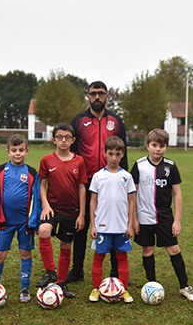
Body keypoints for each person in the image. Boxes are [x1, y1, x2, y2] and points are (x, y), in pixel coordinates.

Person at [67, 81, 128, 284]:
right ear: (88, 96)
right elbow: (72, 153)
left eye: (101, 93)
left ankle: (115, 270)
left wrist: (124, 179)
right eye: (93, 94)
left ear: (107, 96)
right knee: (81, 225)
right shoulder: (78, 120)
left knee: (112, 224)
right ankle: (77, 269)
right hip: (86, 182)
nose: (97, 97)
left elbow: (123, 153)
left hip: (111, 181)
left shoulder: (116, 121)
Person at [131, 129, 193, 302]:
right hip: (143, 218)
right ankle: (151, 285)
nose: (157, 149)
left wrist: (177, 221)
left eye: (161, 146)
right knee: (147, 250)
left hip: (164, 218)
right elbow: (133, 195)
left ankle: (184, 286)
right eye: (154, 145)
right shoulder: (139, 165)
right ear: (148, 146)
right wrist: (134, 220)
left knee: (174, 249)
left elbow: (177, 194)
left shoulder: (170, 166)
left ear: (166, 147)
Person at [0, 134, 41, 302]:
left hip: (25, 223)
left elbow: (36, 199)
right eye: (14, 150)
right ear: (8, 152)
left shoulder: (31, 173)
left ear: (27, 151)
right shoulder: (0, 170)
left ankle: (24, 288)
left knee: (25, 252)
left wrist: (35, 222)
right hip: (5, 221)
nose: (18, 153)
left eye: (21, 150)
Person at [35, 123, 87, 298]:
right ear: (53, 139)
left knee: (66, 245)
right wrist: (46, 205)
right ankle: (51, 272)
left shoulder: (79, 161)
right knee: (43, 230)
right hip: (52, 208)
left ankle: (61, 282)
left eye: (67, 137)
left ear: (72, 140)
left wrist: (81, 214)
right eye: (59, 137)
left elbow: (82, 187)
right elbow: (42, 185)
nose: (63, 140)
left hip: (72, 211)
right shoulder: (46, 160)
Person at [88, 136, 136, 303]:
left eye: (117, 154)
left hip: (121, 227)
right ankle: (95, 289)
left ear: (122, 154)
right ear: (104, 153)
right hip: (102, 226)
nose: (114, 158)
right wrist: (93, 225)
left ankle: (123, 290)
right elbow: (93, 201)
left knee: (122, 258)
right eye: (110, 154)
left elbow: (131, 202)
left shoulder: (127, 177)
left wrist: (130, 225)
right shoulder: (98, 176)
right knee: (98, 257)